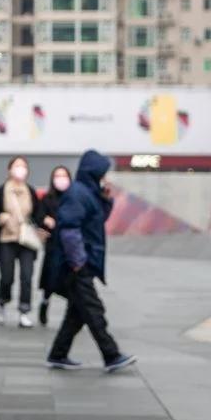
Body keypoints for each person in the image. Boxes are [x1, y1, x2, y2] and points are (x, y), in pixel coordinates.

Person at [45, 150, 136, 373]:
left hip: (82, 263)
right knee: (94, 310)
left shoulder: (88, 193)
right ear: (94, 172)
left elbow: (96, 220)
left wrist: (105, 200)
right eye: (102, 173)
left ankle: (58, 354)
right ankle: (111, 354)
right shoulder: (78, 194)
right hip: (76, 266)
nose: (105, 177)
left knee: (77, 314)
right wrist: (78, 262)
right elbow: (68, 229)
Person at [0, 157, 41, 328]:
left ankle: (24, 311)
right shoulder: (1, 190)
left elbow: (38, 213)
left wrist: (41, 223)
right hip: (6, 239)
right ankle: (2, 303)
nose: (21, 169)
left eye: (23, 166)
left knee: (26, 276)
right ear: (9, 170)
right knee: (7, 276)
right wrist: (2, 217)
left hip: (26, 240)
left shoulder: (30, 191)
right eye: (17, 166)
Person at [36, 165, 72, 327]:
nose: (61, 179)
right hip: (53, 244)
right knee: (51, 278)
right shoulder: (47, 199)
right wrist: (45, 221)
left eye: (64, 176)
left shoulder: (73, 198)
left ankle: (73, 310)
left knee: (71, 280)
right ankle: (45, 302)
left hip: (71, 245)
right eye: (57, 176)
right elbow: (39, 216)